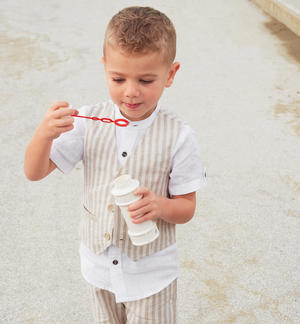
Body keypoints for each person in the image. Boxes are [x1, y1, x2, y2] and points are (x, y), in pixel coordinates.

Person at [24, 6, 206, 324]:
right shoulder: (87, 121)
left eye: (146, 80)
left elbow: (186, 208)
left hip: (151, 276)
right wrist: (44, 135)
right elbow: (34, 172)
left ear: (171, 74)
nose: (131, 91)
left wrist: (160, 206)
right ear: (104, 67)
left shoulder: (180, 136)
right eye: (118, 78)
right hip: (99, 272)